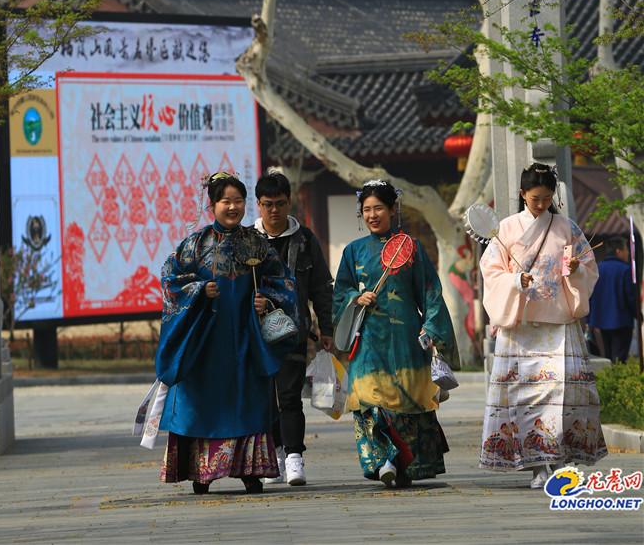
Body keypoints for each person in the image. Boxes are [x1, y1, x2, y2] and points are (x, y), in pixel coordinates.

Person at [155, 172, 298, 495]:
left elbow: (284, 282)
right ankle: (202, 472)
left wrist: (267, 300)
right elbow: (170, 280)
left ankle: (250, 469)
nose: (233, 207)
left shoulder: (256, 243)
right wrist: (198, 290)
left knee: (248, 401)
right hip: (205, 341)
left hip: (246, 339)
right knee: (203, 403)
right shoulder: (195, 244)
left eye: (238, 201)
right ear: (213, 205)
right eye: (225, 201)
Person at [479, 162, 608, 489]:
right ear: (522, 194)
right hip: (520, 325)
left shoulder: (566, 227)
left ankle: (559, 459)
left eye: (547, 198)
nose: (541, 204)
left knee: (561, 393)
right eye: (535, 198)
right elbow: (491, 271)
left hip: (558, 322)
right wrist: (514, 281)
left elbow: (588, 267)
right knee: (524, 396)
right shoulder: (506, 228)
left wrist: (576, 269)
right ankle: (537, 465)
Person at [333, 179, 457, 489]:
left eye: (378, 208)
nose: (372, 215)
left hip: (405, 340)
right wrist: (355, 297)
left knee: (406, 403)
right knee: (368, 399)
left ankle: (404, 465)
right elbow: (340, 292)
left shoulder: (410, 247)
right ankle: (383, 461)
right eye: (366, 210)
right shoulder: (352, 251)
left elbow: (430, 291)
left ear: (392, 209)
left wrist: (431, 327)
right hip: (368, 339)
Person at [253, 169, 334, 488]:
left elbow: (321, 288)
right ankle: (272, 454)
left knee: (289, 396)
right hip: (254, 333)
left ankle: (294, 457)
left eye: (280, 203)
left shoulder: (305, 240)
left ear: (290, 203)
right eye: (267, 204)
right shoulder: (247, 240)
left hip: (294, 331)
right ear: (258, 205)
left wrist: (326, 328)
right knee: (263, 397)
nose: (274, 210)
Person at [587, 237, 637, 363]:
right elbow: (630, 296)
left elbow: (589, 295)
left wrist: (589, 319)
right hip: (622, 321)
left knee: (606, 358)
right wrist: (637, 314)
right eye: (626, 250)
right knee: (619, 360)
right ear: (618, 251)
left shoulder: (597, 268)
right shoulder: (625, 269)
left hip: (599, 322)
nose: (628, 253)